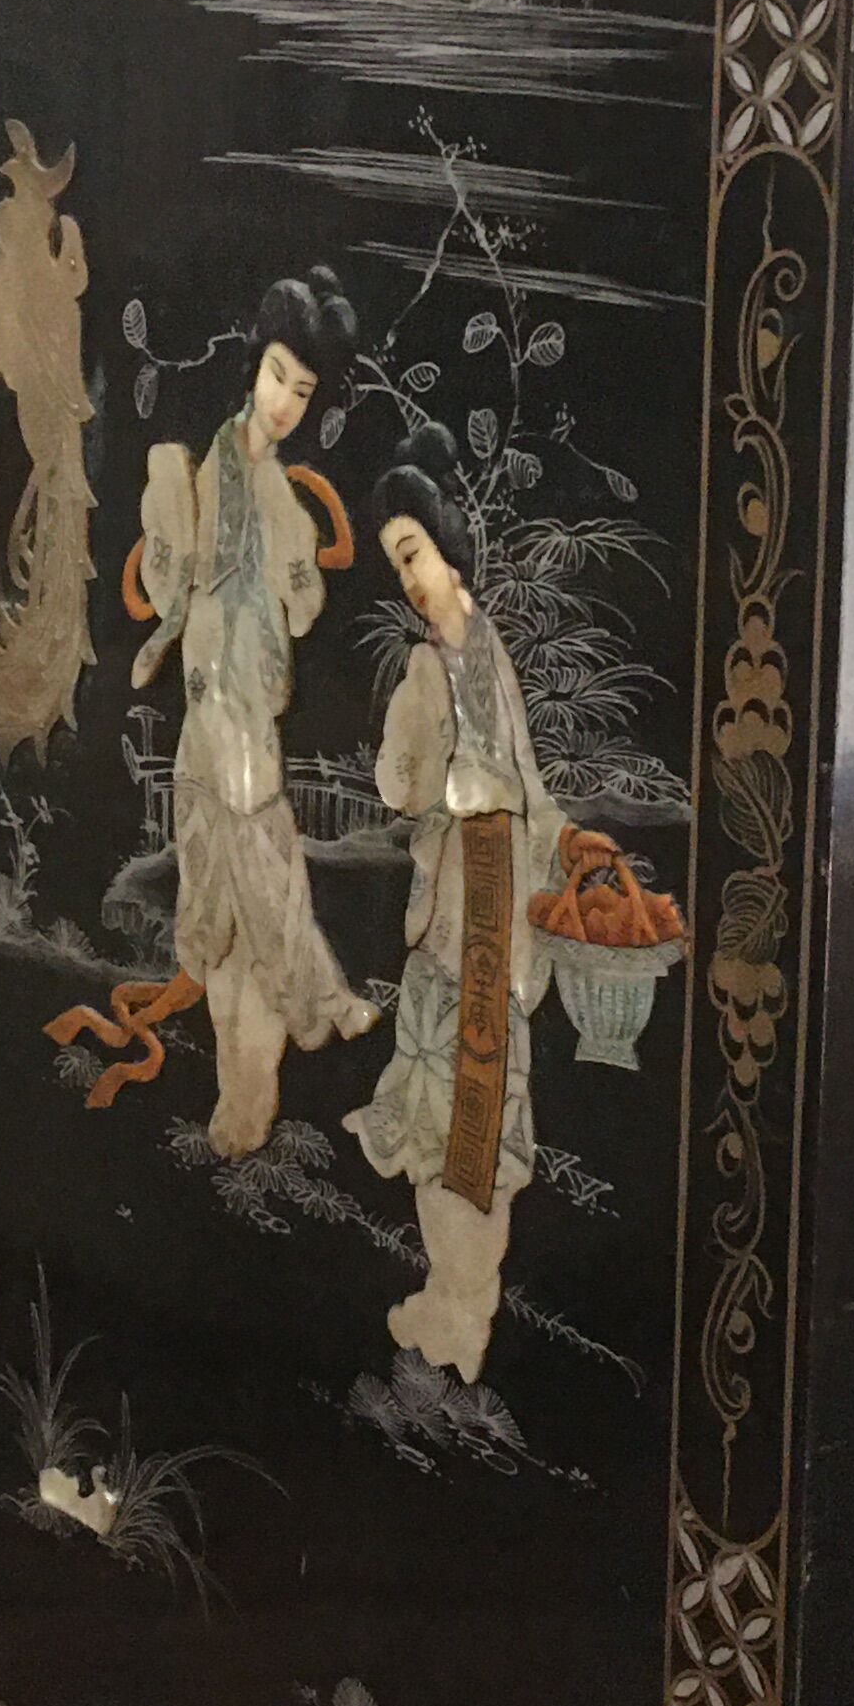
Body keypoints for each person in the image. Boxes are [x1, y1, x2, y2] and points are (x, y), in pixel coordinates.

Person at [121, 266, 375, 1155]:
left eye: (303, 393)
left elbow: (302, 606)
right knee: (224, 902)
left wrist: (289, 567)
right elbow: (167, 575)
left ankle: (251, 1091)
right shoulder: (198, 470)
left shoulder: (281, 494)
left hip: (249, 720)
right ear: (252, 366)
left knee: (263, 896)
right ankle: (239, 1093)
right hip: (206, 710)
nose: (285, 403)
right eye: (278, 378)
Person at [347, 432, 560, 1381]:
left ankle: (468, 1311)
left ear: (448, 551)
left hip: (496, 914)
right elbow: (400, 786)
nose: (409, 583)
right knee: (444, 1124)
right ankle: (451, 1302)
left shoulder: (477, 658)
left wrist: (562, 849)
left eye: (414, 558)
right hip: (458, 920)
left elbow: (520, 782)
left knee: (479, 1120)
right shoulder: (433, 669)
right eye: (399, 566)